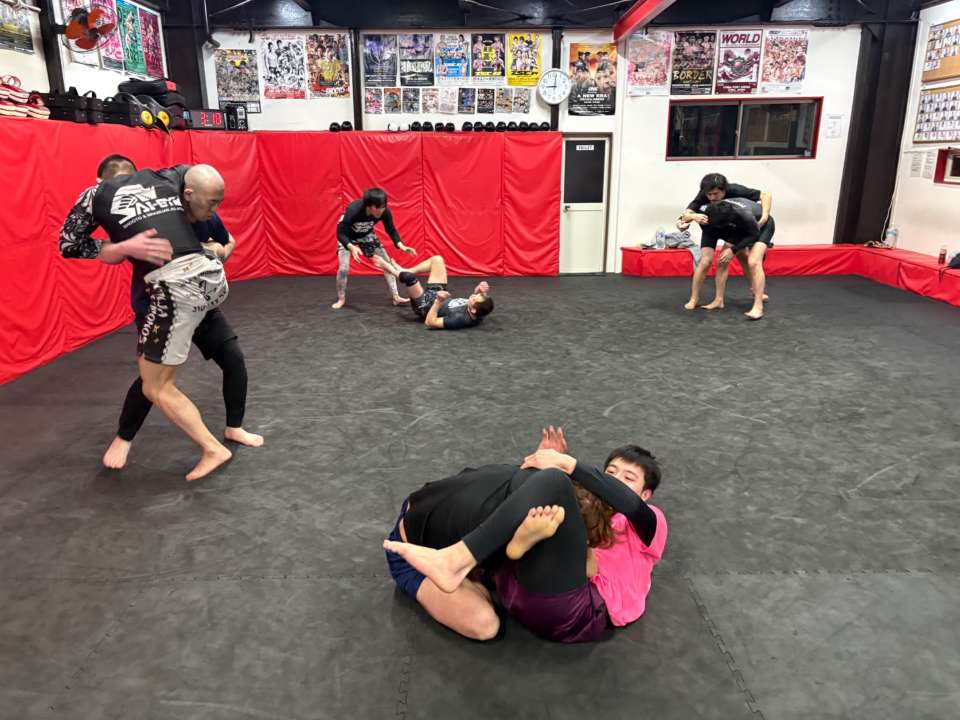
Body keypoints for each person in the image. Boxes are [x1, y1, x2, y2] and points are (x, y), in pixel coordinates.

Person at [59, 155, 264, 470]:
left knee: (231, 359)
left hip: (198, 299)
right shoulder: (128, 212)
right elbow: (72, 245)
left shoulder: (196, 204)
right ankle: (124, 437)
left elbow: (227, 242)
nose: (212, 210)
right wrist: (122, 247)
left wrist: (215, 252)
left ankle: (233, 427)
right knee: (153, 380)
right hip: (156, 302)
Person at [384, 428, 667, 643]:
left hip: (547, 587)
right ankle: (472, 560)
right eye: (610, 473)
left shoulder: (650, 523)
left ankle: (482, 560)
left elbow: (629, 507)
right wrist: (538, 471)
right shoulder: (586, 504)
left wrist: (567, 465)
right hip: (425, 542)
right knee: (552, 490)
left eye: (628, 478)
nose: (615, 481)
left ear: (646, 494)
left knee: (485, 624)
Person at [680, 173, 773, 312]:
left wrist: (764, 217)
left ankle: (757, 298)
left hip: (750, 226)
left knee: (751, 260)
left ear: (724, 190)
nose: (712, 198)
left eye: (715, 194)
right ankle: (707, 299)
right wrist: (692, 217)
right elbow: (684, 215)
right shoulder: (704, 200)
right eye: (709, 194)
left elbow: (765, 196)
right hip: (719, 226)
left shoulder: (740, 207)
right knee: (711, 261)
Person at [333, 188, 417, 310]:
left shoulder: (384, 211)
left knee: (386, 262)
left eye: (383, 207)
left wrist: (401, 245)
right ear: (369, 206)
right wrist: (351, 247)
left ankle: (396, 296)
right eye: (378, 208)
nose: (381, 211)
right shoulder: (353, 210)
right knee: (344, 268)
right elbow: (340, 233)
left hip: (366, 234)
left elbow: (391, 230)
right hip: (347, 236)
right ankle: (341, 298)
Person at [372, 254, 493, 330]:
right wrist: (479, 290)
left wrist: (438, 301)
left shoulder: (460, 319)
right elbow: (480, 304)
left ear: (473, 310)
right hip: (439, 295)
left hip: (425, 306)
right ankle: (405, 270)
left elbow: (430, 322)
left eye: (474, 298)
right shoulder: (478, 311)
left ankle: (387, 268)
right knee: (437, 260)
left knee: (409, 278)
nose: (472, 296)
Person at [701, 198, 774, 320]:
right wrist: (684, 219)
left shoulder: (745, 215)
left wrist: (733, 250)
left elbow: (753, 235)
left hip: (761, 227)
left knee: (753, 262)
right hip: (741, 228)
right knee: (722, 261)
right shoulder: (709, 209)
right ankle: (718, 300)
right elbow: (690, 211)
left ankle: (758, 306)